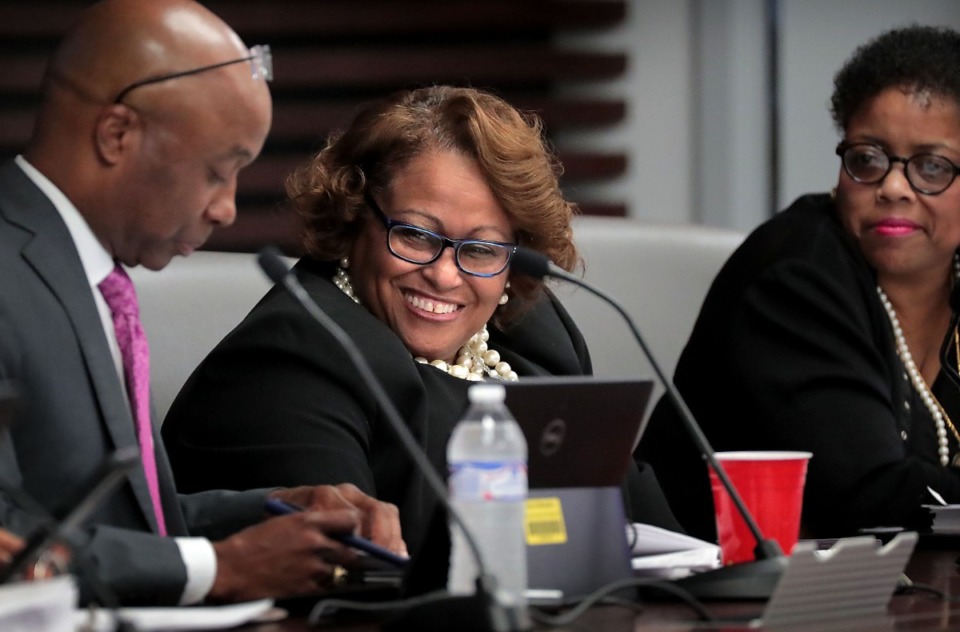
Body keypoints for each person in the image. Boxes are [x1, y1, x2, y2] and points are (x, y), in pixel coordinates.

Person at [162, 85, 682, 557]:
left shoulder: (537, 338)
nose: (444, 274)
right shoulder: (288, 360)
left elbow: (648, 530)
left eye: (480, 248)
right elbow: (343, 573)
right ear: (352, 218)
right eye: (415, 235)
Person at [0, 0, 403, 606]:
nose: (227, 209)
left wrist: (272, 514)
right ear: (117, 134)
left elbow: (127, 525)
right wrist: (217, 569)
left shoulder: (89, 275)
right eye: (218, 172)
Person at [636, 25, 960, 541]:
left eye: (932, 166)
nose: (894, 187)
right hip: (707, 594)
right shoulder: (793, 277)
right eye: (868, 159)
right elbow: (869, 497)